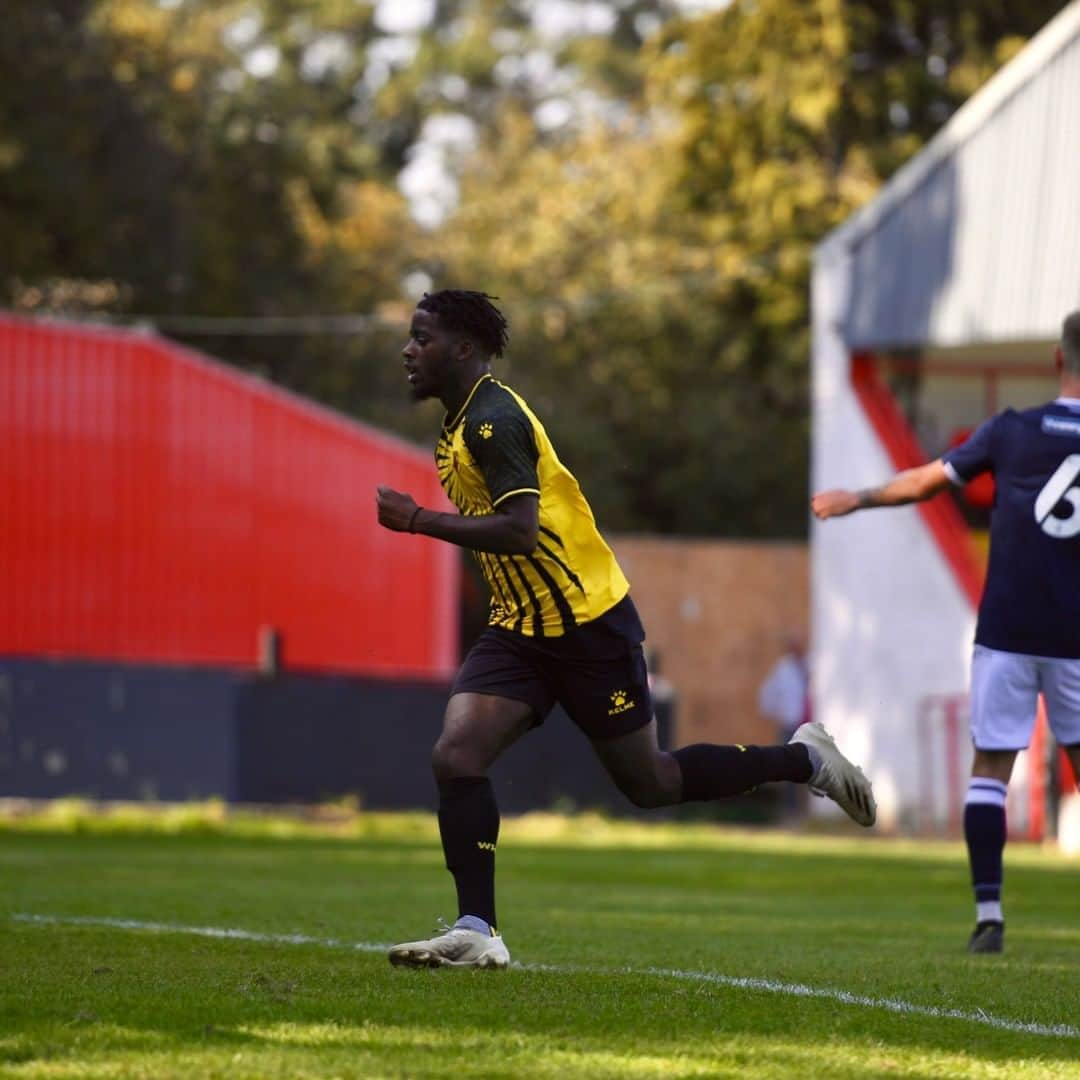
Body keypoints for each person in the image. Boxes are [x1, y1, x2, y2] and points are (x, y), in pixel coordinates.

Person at [376, 289, 876, 970]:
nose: (409, 349)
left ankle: (806, 760)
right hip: (521, 626)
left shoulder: (493, 421)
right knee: (456, 756)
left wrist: (416, 521)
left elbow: (521, 532)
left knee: (653, 784)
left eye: (422, 338)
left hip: (587, 622)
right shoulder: (458, 423)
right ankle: (477, 929)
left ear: (463, 349)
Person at [811, 310, 1080, 955]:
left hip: (1010, 628)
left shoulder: (1011, 430)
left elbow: (930, 480)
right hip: (1076, 637)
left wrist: (860, 498)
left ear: (1055, 358)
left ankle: (989, 915)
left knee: (991, 769)